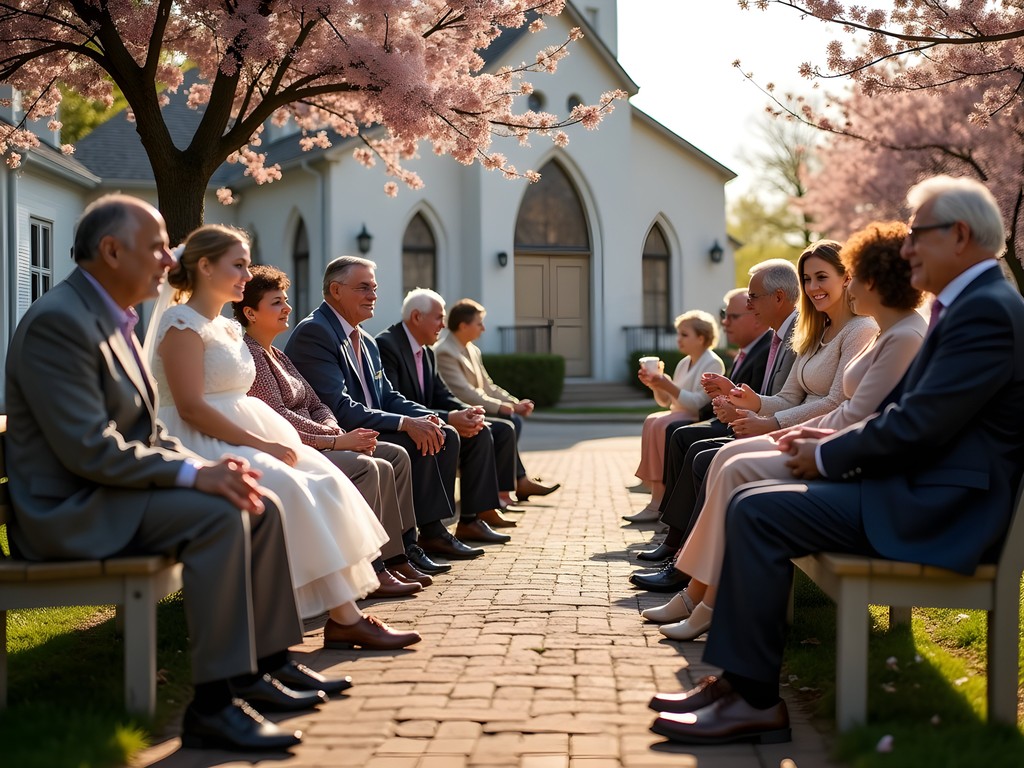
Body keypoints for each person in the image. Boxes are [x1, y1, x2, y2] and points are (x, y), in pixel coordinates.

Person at [649, 175, 1024, 746]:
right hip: (918, 489)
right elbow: (912, 420)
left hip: (942, 510)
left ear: (961, 235)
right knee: (751, 498)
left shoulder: (986, 311)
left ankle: (751, 697)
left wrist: (823, 457)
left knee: (757, 509)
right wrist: (817, 449)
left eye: (917, 235)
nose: (905, 249)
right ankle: (739, 685)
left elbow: (916, 425)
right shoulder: (975, 304)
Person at [4, 194, 341, 752]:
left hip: (110, 492)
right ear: (111, 252)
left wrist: (207, 466)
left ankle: (264, 667)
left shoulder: (114, 319)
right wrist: (193, 479)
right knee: (217, 516)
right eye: (157, 247)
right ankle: (212, 706)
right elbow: (91, 449)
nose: (168, 261)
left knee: (258, 501)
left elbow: (148, 433)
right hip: (70, 511)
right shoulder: (60, 324)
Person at [645, 221, 926, 639]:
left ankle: (708, 603)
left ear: (867, 279)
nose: (823, 287)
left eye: (836, 277)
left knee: (730, 462)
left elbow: (847, 411)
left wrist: (777, 430)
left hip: (849, 463)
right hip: (831, 444)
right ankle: (698, 593)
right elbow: (804, 398)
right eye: (808, 279)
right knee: (725, 456)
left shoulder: (876, 332)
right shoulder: (857, 332)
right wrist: (750, 402)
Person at [148, 225, 420, 651]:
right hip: (202, 440)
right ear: (204, 267)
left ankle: (345, 616)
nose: (244, 274)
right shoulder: (181, 324)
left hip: (246, 431)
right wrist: (263, 445)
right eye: (237, 265)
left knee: (327, 482)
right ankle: (291, 632)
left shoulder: (227, 327)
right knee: (290, 490)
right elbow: (191, 408)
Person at [632, 244, 879, 591]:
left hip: (821, 440)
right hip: (796, 430)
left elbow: (837, 402)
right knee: (707, 454)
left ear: (847, 277)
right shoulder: (816, 329)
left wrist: (770, 423)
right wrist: (753, 401)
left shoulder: (859, 330)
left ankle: (694, 577)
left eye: (822, 277)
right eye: (807, 278)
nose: (812, 287)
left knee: (711, 456)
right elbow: (788, 396)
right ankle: (694, 577)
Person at [233, 265, 441, 596]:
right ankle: (371, 570)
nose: (287, 308)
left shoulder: (279, 355)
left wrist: (331, 427)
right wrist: (334, 440)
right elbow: (277, 415)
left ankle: (396, 555)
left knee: (394, 457)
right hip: (295, 444)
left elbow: (317, 402)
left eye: (285, 300)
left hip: (321, 436)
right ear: (250, 313)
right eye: (277, 303)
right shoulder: (253, 357)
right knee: (368, 466)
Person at [284, 256, 487, 562]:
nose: (373, 295)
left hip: (369, 424)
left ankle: (432, 534)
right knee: (409, 444)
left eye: (375, 288)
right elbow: (338, 406)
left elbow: (387, 395)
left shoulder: (365, 339)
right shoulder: (316, 332)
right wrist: (407, 424)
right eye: (364, 288)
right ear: (336, 291)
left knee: (444, 434)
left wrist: (433, 418)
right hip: (342, 432)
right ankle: (405, 546)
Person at [631, 259, 801, 581]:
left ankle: (685, 557)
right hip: (763, 420)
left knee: (694, 445)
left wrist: (743, 408)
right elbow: (779, 396)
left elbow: (800, 400)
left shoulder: (790, 336)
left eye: (750, 302)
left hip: (783, 431)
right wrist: (733, 399)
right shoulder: (777, 337)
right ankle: (680, 548)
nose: (734, 317)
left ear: (778, 297)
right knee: (679, 435)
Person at [377, 288, 522, 535]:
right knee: (455, 434)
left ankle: (472, 519)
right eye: (438, 318)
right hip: (405, 425)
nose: (444, 326)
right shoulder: (387, 345)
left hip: (429, 419)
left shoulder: (427, 351)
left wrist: (468, 412)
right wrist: (447, 418)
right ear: (416, 317)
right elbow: (394, 401)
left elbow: (441, 394)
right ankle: (436, 530)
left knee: (488, 428)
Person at [434, 298, 560, 502]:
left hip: (476, 408)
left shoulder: (472, 349)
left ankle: (512, 485)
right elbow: (465, 393)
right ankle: (511, 486)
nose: (483, 328)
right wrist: (506, 408)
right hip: (459, 412)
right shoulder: (444, 351)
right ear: (463, 326)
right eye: (479, 323)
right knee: (509, 424)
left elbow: (488, 386)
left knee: (512, 422)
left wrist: (514, 402)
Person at [624, 310, 725, 523]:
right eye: (678, 334)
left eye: (684, 334)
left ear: (701, 337)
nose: (678, 339)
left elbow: (698, 403)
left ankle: (656, 500)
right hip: (679, 413)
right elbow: (666, 401)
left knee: (659, 422)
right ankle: (653, 490)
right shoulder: (684, 362)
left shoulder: (713, 363)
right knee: (652, 419)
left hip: (697, 417)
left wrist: (666, 384)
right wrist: (656, 384)